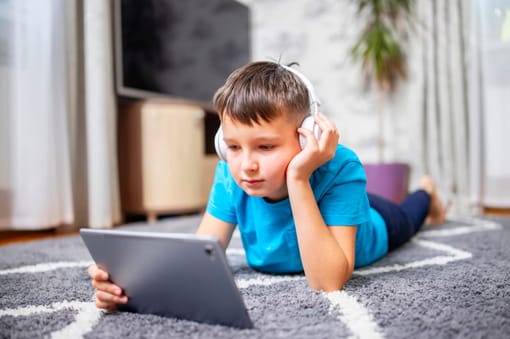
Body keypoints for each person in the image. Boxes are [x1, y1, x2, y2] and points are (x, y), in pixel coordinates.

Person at [88, 61, 446, 310]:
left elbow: (328, 281)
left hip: (374, 224)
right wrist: (127, 287)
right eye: (233, 147)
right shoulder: (231, 172)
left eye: (266, 146)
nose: (247, 165)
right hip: (332, 196)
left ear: (306, 139)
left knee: (409, 213)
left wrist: (299, 178)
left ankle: (427, 191)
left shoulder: (341, 166)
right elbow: (199, 255)